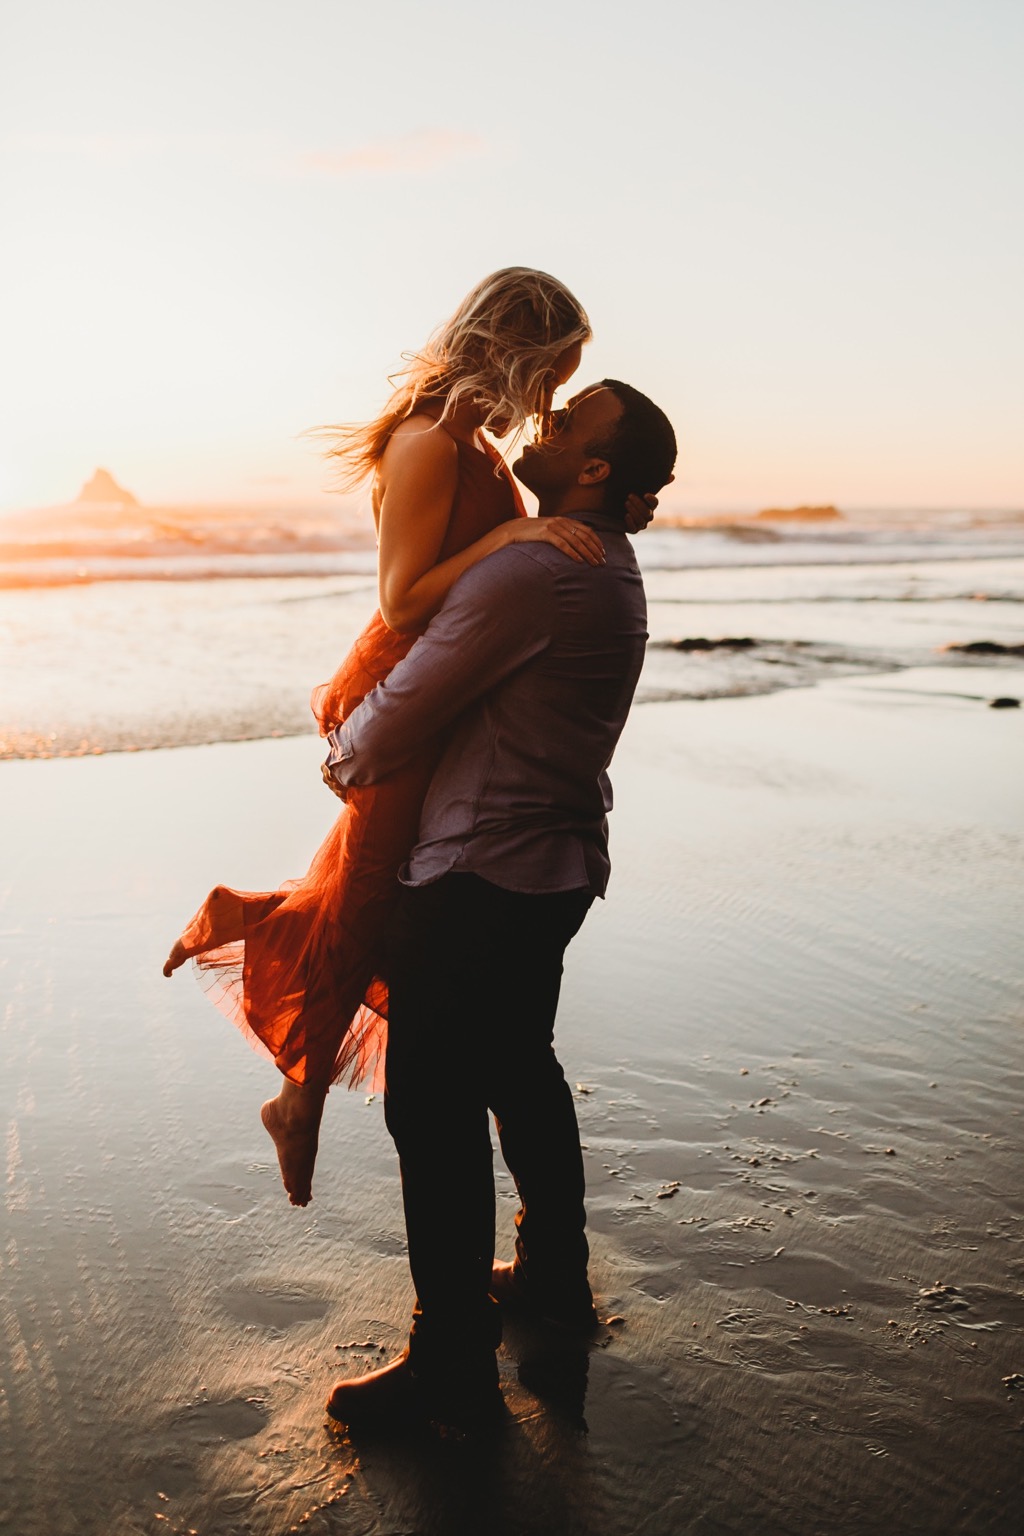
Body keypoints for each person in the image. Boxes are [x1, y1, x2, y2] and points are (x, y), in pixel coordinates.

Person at [162, 268, 651, 1208]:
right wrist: (510, 544)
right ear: (515, 351)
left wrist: (573, 519)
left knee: (369, 888)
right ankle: (297, 1100)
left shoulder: (478, 448)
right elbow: (404, 599)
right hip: (396, 683)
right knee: (369, 885)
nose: (548, 399)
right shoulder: (428, 443)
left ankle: (283, 1041)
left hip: (439, 692)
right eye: (555, 371)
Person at [321, 379, 677, 1433]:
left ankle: (451, 1367)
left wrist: (343, 750)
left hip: (478, 874)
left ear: (595, 469)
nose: (544, 424)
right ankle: (554, 1280)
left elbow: (403, 709)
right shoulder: (605, 563)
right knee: (521, 1068)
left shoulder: (533, 569)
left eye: (568, 424)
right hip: (556, 866)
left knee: (431, 1113)